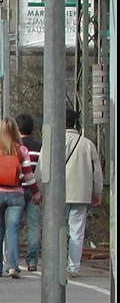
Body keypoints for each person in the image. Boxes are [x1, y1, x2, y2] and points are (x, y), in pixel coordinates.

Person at [38, 108, 103, 277]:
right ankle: (73, 267)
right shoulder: (87, 144)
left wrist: (40, 190)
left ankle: (55, 265)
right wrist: (97, 192)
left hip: (56, 194)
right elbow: (97, 172)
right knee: (77, 232)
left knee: (55, 229)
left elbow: (41, 169)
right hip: (81, 194)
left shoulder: (52, 142)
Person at [0, 117, 40, 278]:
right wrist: (36, 192)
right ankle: (12, 266)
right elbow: (29, 176)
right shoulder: (21, 151)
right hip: (16, 194)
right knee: (13, 230)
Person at [15, 112, 42, 271]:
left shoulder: (14, 146)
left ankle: (13, 258)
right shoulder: (40, 146)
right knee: (34, 226)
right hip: (34, 191)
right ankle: (32, 261)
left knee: (13, 226)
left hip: (16, 189)